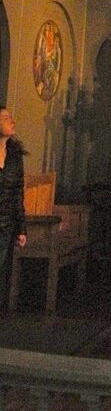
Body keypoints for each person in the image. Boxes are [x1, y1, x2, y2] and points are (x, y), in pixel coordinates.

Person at [0, 107, 27, 306]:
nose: (12, 121)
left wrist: (21, 228)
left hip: (5, 223)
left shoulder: (15, 156)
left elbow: (18, 193)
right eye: (6, 118)